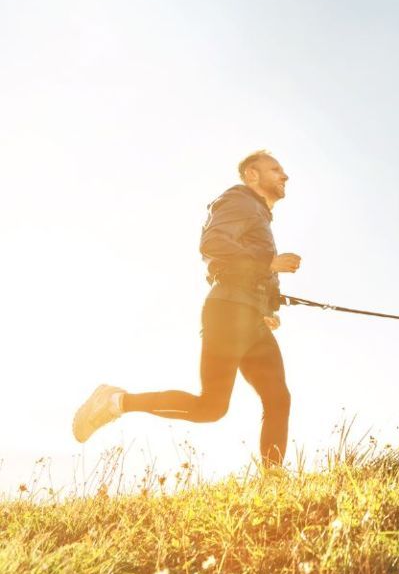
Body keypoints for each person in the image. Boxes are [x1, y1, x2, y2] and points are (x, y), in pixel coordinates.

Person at [72, 150, 301, 468]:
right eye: (275, 169)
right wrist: (268, 262)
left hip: (250, 317)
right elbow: (213, 244)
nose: (284, 175)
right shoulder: (239, 201)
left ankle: (273, 481)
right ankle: (115, 402)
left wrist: (269, 306)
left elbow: (251, 270)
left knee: (278, 398)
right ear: (252, 174)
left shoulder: (259, 215)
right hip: (228, 312)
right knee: (211, 407)